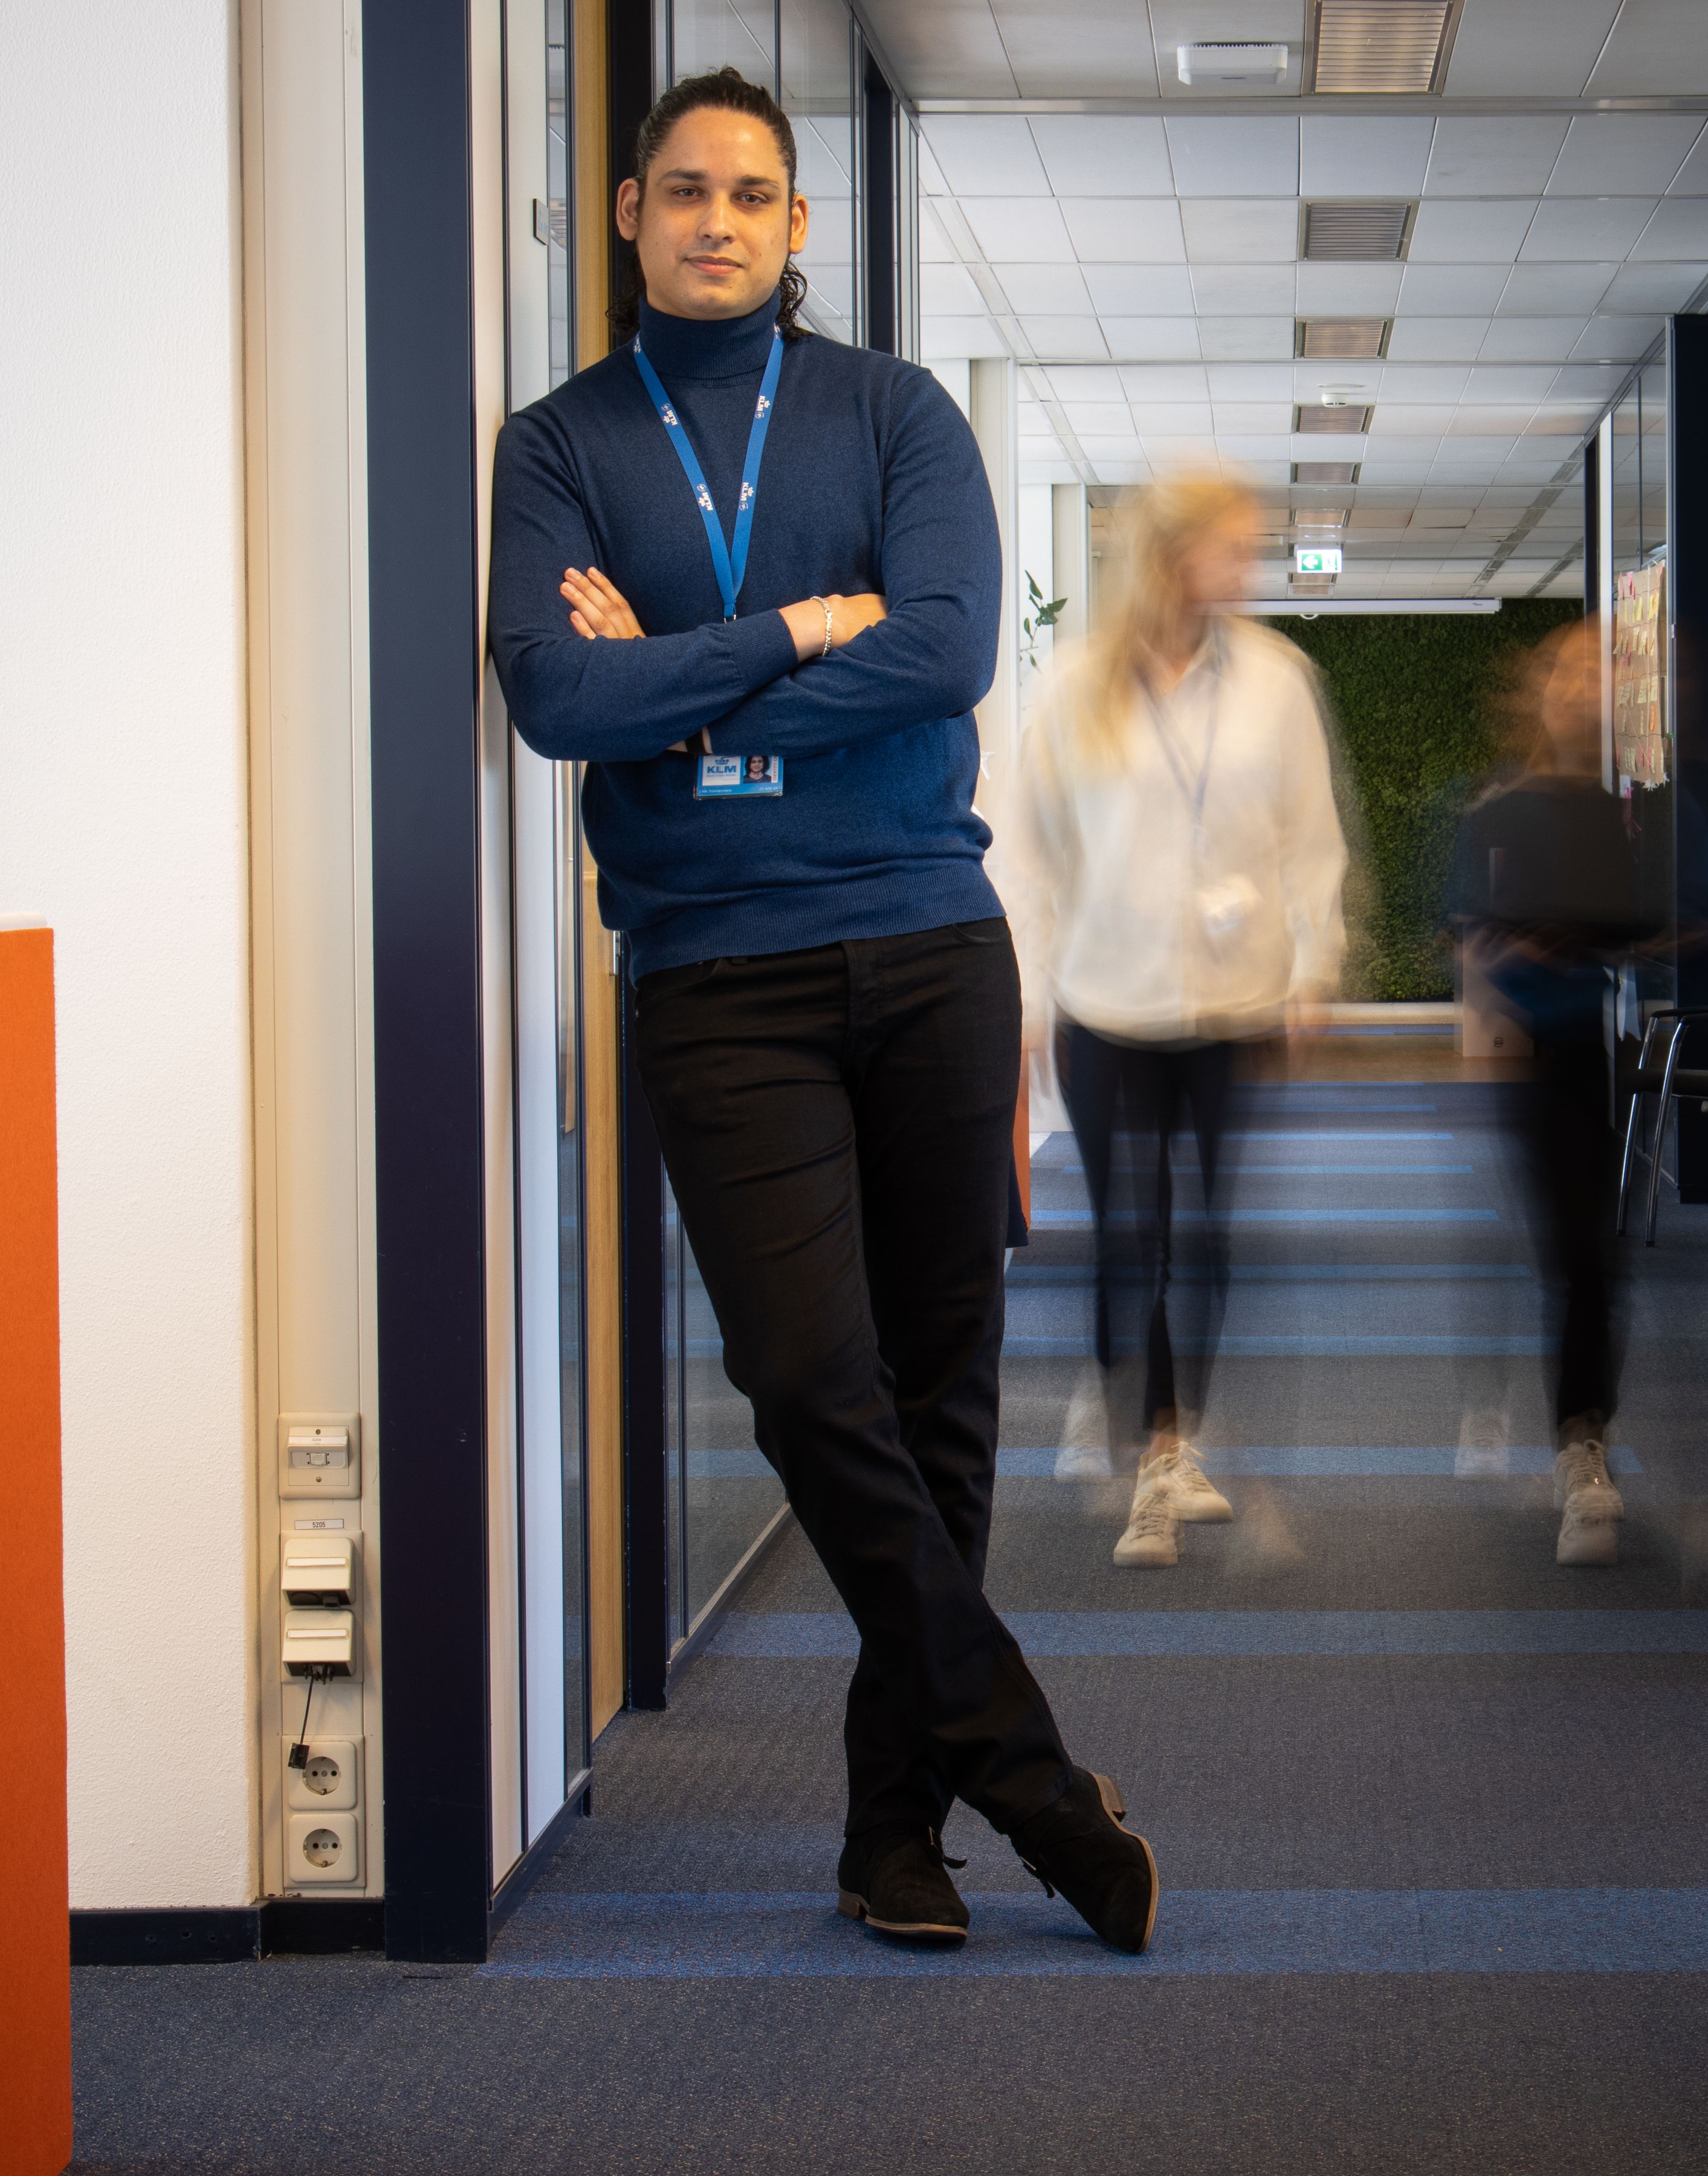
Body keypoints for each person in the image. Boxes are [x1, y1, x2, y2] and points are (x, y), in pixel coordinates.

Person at [487, 67, 1156, 1954]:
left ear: (794, 228)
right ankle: (1030, 1773)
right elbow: (556, 697)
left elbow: (942, 652)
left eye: (753, 195)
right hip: (715, 972)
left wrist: (681, 681)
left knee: (942, 1396)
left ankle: (893, 1834)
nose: (717, 219)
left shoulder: (893, 412)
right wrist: (799, 628)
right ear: (630, 212)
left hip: (930, 944)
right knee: (804, 1382)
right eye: (684, 188)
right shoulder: (560, 446)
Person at [992, 474, 1348, 1569]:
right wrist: (1028, 993)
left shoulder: (1276, 682)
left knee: (1209, 1236)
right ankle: (1156, 1451)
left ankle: (1172, 1431)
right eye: (1227, 547)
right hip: (1106, 1001)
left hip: (1234, 1001)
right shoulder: (1078, 684)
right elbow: (1029, 849)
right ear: (1167, 554)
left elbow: (1311, 838)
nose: (1244, 569)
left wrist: (1315, 963)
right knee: (1130, 1233)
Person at [1448, 620, 1656, 1567]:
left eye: (1597, 676)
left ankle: (1584, 1440)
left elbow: (1647, 927)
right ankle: (1576, 1445)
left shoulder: (1623, 812)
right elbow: (1473, 937)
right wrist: (1492, 1027)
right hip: (1533, 1057)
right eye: (1567, 674)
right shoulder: (1503, 811)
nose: (1583, 689)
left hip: (1602, 1053)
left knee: (1597, 1259)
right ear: (1540, 695)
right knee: (1573, 1252)